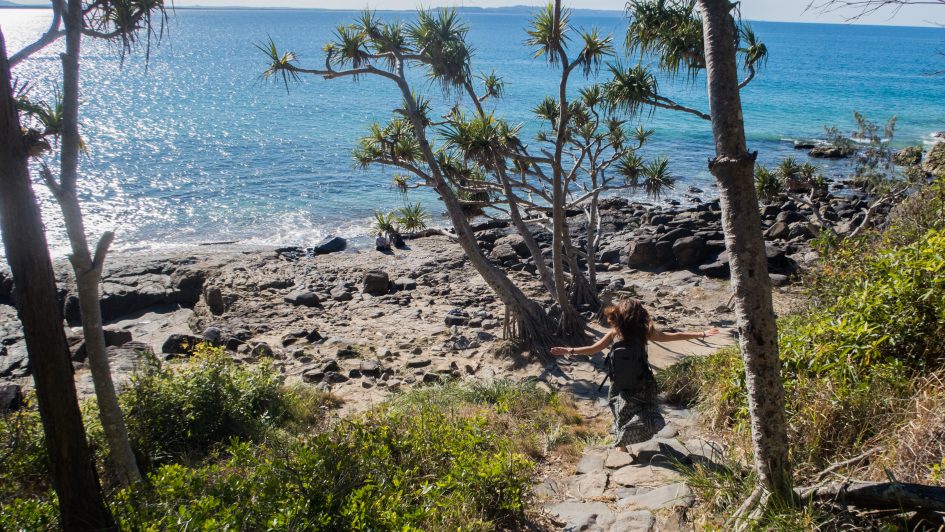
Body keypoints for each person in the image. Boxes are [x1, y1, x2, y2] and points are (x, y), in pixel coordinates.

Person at [551, 299, 719, 450]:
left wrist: (569, 350)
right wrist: (701, 333)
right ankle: (649, 427)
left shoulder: (614, 333)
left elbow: (592, 349)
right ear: (640, 315)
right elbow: (672, 336)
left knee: (620, 411)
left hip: (618, 383)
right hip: (642, 382)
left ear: (619, 314)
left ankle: (622, 444)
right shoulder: (644, 332)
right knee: (646, 408)